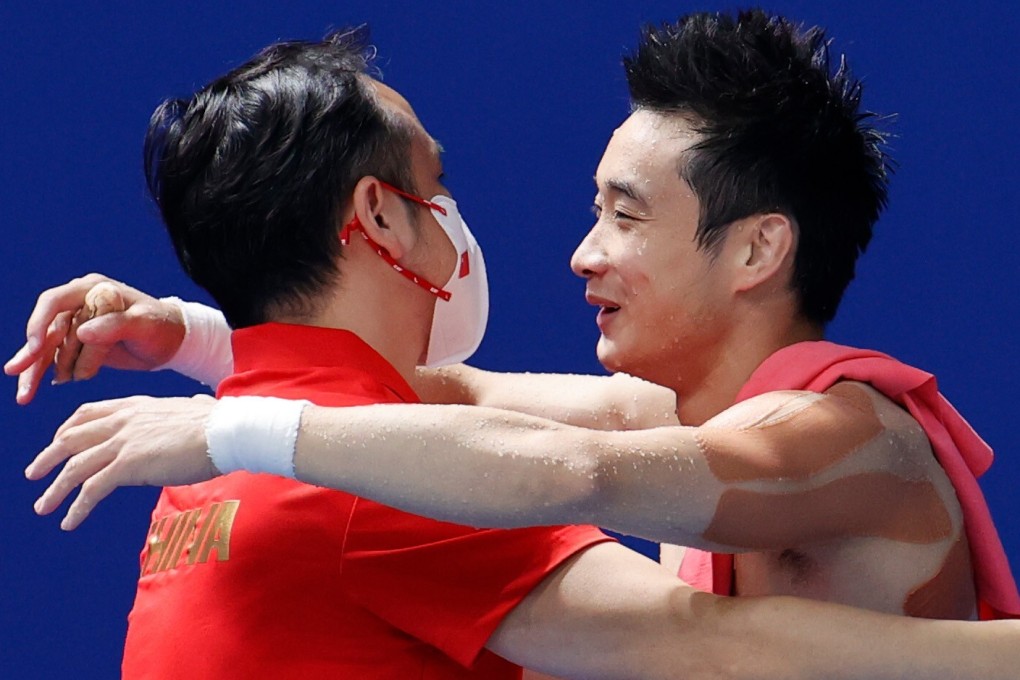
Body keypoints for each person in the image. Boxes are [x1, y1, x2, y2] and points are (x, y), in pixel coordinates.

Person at [10, 11, 1020, 679]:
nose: (582, 254)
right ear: (377, 216)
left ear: (757, 246)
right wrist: (202, 348)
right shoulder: (396, 472)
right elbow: (466, 403)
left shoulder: (839, 433)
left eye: (625, 216)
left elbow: (575, 463)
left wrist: (227, 411)